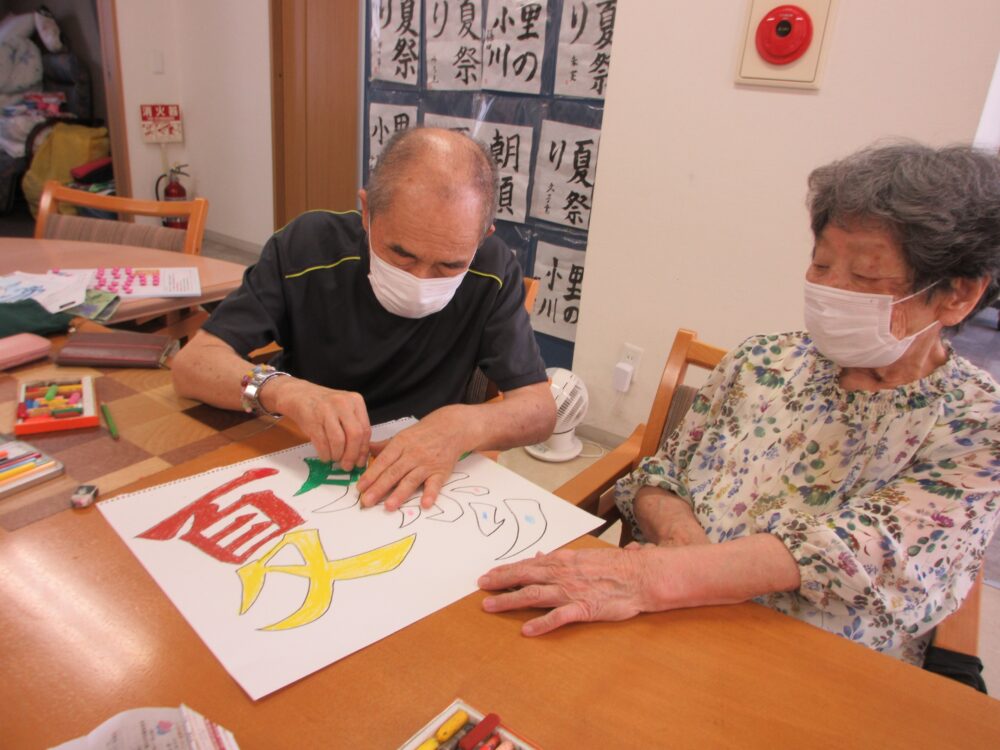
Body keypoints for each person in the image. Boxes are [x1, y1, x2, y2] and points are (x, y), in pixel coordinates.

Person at [479, 143, 1000, 673]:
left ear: (956, 294)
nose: (831, 290)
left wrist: (653, 578)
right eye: (820, 264)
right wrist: (684, 544)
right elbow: (660, 476)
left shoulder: (975, 425)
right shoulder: (763, 360)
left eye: (865, 278)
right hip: (663, 618)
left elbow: (841, 552)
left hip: (807, 667)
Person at [173, 127, 555, 510]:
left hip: (415, 479)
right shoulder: (307, 246)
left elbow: (538, 409)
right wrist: (286, 391)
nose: (419, 280)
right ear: (366, 212)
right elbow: (193, 364)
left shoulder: (492, 270)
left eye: (448, 265)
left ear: (482, 237)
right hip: (301, 457)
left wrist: (463, 425)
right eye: (401, 255)